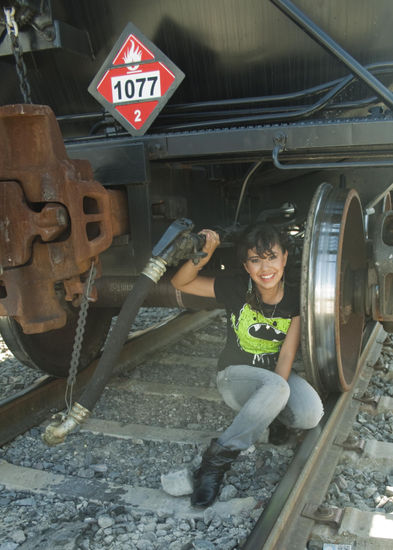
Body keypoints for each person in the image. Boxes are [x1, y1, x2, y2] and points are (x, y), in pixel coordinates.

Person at [171, 223, 324, 508]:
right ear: (246, 265)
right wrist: (205, 253)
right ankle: (215, 463)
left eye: (272, 257)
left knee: (310, 415)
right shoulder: (235, 288)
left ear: (285, 258)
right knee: (278, 387)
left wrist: (275, 402)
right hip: (235, 378)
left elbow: (287, 356)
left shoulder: (295, 298)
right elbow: (180, 283)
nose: (265, 268)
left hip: (273, 381)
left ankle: (263, 415)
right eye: (255, 260)